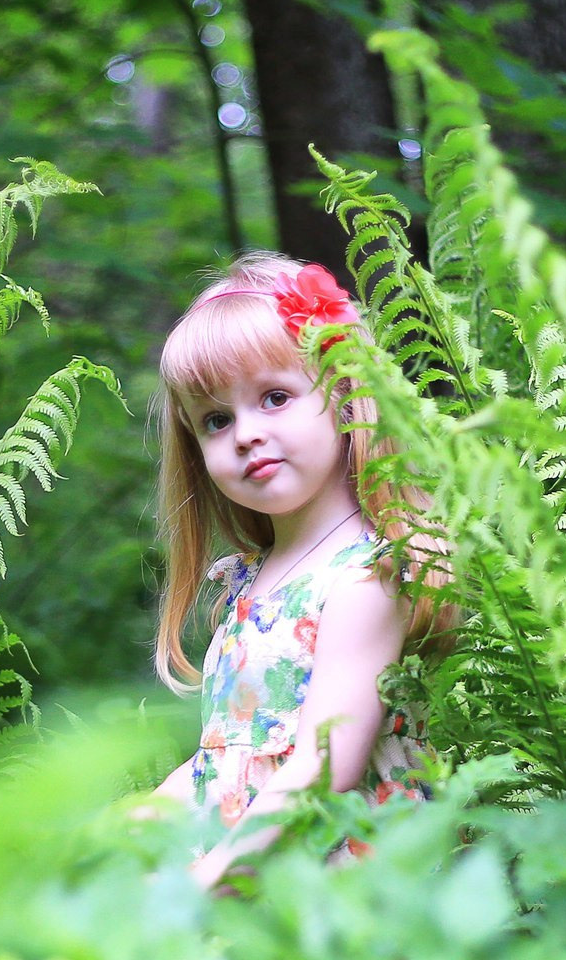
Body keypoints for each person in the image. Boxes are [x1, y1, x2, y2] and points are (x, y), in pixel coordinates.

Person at [138, 252, 455, 891]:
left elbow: (322, 765)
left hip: (335, 885)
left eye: (275, 397)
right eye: (216, 420)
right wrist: (131, 825)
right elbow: (220, 762)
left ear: (342, 393)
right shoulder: (244, 584)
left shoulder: (369, 577)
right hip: (254, 871)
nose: (246, 434)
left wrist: (213, 880)